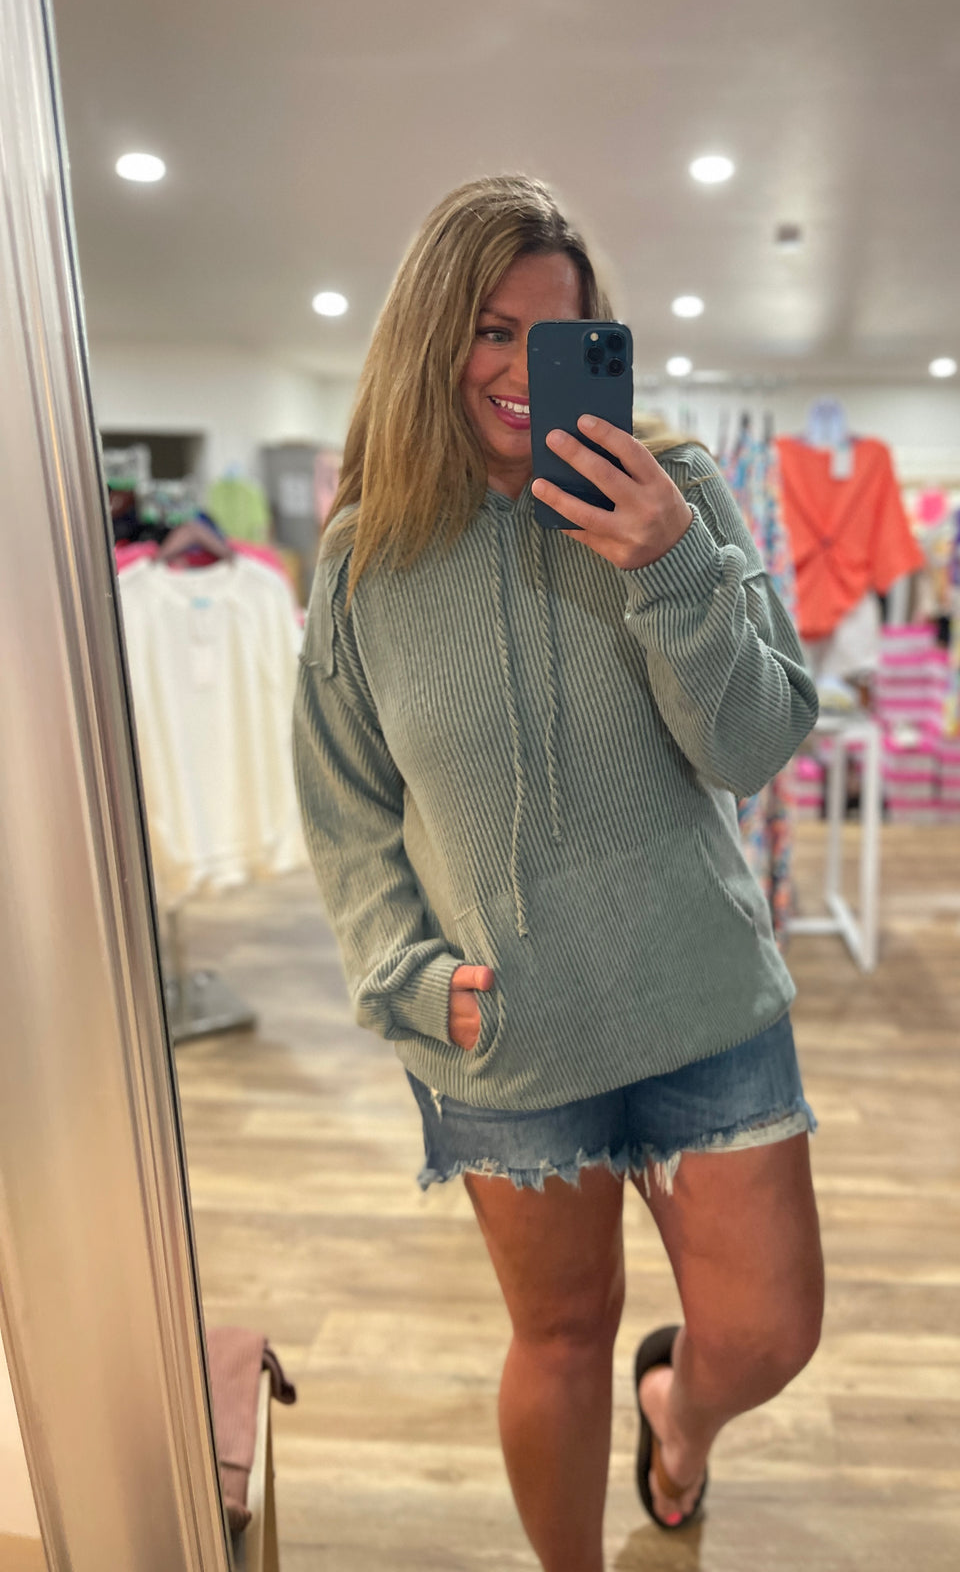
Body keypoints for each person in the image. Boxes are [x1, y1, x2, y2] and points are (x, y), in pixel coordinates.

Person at [293, 173, 824, 1572]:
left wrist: (670, 564)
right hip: (507, 1029)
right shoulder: (364, 562)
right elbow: (347, 812)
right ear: (431, 338)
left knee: (767, 1333)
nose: (523, 367)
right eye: (490, 329)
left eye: (557, 333)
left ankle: (681, 1418)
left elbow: (757, 744)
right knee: (561, 1335)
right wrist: (412, 982)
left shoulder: (677, 492)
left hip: (700, 998)